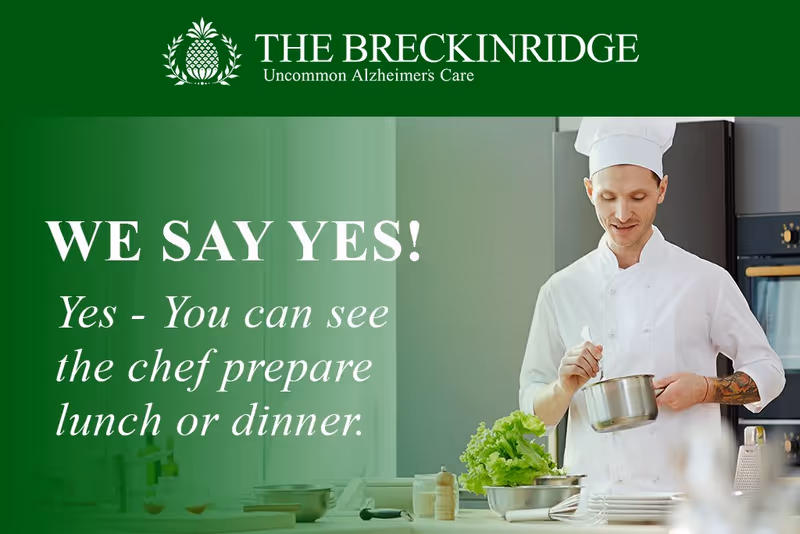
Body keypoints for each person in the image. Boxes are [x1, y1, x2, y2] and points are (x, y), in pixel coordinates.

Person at [518, 117, 786, 493]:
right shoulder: (561, 289)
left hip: (684, 505)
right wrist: (564, 386)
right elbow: (531, 420)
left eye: (638, 197)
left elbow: (770, 373)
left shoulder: (704, 280)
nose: (622, 214)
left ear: (662, 189)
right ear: (589, 189)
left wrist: (708, 389)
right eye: (607, 198)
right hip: (594, 507)